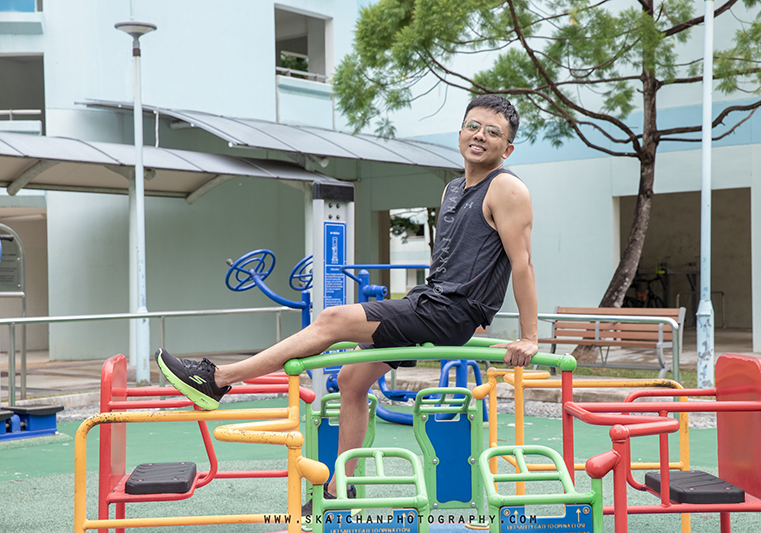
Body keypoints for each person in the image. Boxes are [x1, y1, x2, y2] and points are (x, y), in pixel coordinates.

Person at [156, 94, 538, 512]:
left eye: (492, 132)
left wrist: (529, 336)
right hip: (432, 301)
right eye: (473, 126)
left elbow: (522, 263)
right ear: (461, 132)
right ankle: (342, 490)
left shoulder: (506, 188)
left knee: (332, 318)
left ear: (507, 148)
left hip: (447, 311)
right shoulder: (452, 188)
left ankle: (218, 379)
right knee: (351, 382)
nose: (479, 136)